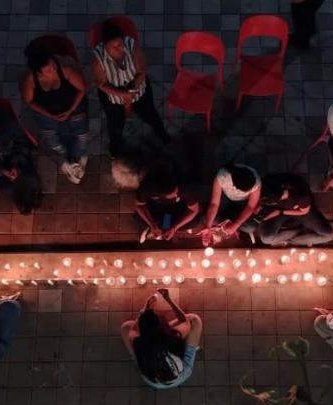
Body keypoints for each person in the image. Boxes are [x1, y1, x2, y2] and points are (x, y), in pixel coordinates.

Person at [91, 18, 171, 156]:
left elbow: (142, 70)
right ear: (105, 46)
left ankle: (164, 137)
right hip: (113, 97)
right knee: (115, 125)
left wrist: (132, 90)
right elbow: (101, 84)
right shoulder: (99, 59)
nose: (119, 49)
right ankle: (115, 149)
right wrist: (123, 95)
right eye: (113, 47)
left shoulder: (131, 46)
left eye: (120, 44)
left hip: (138, 90)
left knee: (151, 115)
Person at [20, 48, 90, 184]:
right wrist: (48, 114)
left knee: (82, 137)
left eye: (52, 65)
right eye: (47, 70)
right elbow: (29, 101)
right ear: (38, 73)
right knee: (52, 140)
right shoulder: (30, 79)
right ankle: (67, 156)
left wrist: (70, 110)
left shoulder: (65, 70)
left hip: (72, 106)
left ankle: (74, 159)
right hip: (47, 111)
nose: (53, 69)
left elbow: (82, 89)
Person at [120, 288, 202, 389]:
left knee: (126, 327)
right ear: (163, 326)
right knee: (194, 320)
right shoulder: (172, 337)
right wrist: (168, 299)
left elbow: (132, 330)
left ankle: (135, 356)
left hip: (152, 380)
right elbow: (185, 321)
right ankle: (193, 346)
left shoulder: (138, 341)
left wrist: (145, 310)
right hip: (180, 376)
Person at [243, 173, 333, 246]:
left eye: (274, 202)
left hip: (300, 211)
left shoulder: (301, 194)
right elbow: (257, 203)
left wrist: (280, 211)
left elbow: (304, 211)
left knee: (328, 235)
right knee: (266, 239)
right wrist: (260, 211)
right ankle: (296, 230)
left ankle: (293, 239)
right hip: (277, 212)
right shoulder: (266, 183)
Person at [202, 164, 261, 245]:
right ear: (234, 186)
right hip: (226, 197)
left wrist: (236, 225)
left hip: (243, 202)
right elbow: (214, 203)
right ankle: (228, 223)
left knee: (250, 227)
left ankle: (228, 223)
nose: (251, 190)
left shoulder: (256, 182)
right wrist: (208, 227)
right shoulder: (222, 176)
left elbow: (251, 206)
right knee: (207, 219)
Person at [135, 168, 200, 241]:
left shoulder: (185, 187)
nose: (176, 195)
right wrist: (151, 224)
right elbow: (139, 205)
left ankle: (165, 228)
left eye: (176, 192)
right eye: (172, 195)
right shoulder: (148, 187)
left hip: (176, 208)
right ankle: (156, 228)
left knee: (194, 222)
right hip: (157, 207)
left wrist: (174, 228)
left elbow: (194, 210)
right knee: (138, 219)